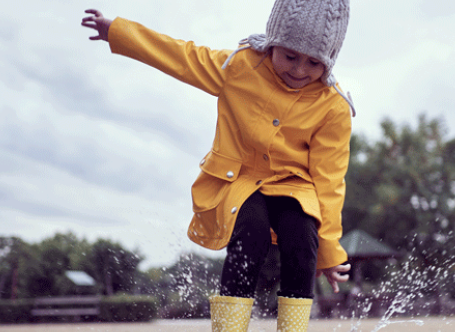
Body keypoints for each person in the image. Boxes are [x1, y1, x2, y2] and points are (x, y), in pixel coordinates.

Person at [82, 1, 353, 331]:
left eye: (314, 62)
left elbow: (330, 182)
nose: (299, 70)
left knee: (302, 234)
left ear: (329, 60)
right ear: (272, 43)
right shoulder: (240, 66)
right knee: (250, 230)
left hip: (295, 186)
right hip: (239, 179)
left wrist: (328, 251)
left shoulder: (333, 107)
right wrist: (119, 32)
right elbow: (183, 57)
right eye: (290, 56)